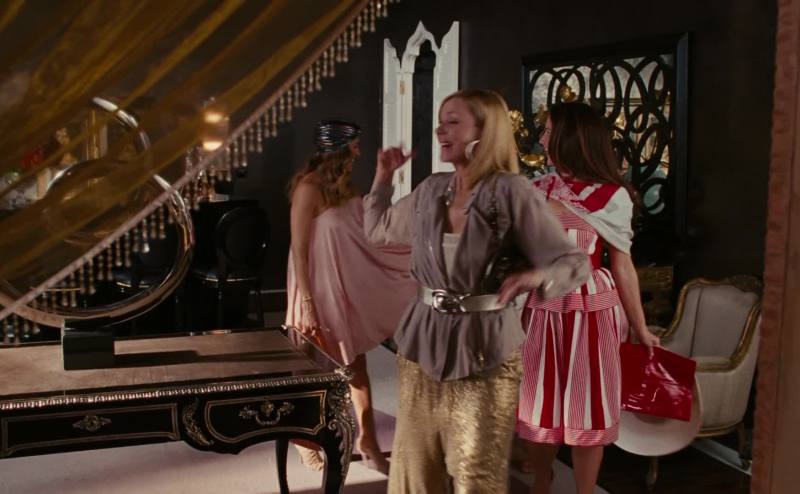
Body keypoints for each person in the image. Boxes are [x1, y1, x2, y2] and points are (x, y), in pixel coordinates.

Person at [363, 89, 591, 493]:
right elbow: (378, 230)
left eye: (453, 121)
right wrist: (383, 177)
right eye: (441, 121)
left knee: (476, 477)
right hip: (421, 348)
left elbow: (574, 263)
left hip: (484, 351)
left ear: (485, 132)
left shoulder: (512, 192)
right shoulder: (431, 190)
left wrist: (535, 276)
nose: (440, 130)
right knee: (415, 475)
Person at [515, 102, 661, 494]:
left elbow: (623, 264)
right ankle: (541, 481)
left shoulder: (612, 197)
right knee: (539, 403)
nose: (542, 139)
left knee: (588, 407)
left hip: (592, 310)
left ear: (571, 138)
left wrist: (641, 327)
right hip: (544, 308)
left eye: (549, 131)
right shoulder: (535, 189)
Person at [286, 120, 416, 474]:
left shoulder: (346, 188)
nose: (359, 151)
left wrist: (384, 175)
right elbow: (298, 250)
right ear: (338, 146)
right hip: (315, 289)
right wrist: (307, 304)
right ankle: (303, 440)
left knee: (355, 365)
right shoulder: (308, 188)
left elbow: (367, 231)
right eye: (354, 144)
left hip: (345, 287)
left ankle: (368, 440)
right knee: (309, 370)